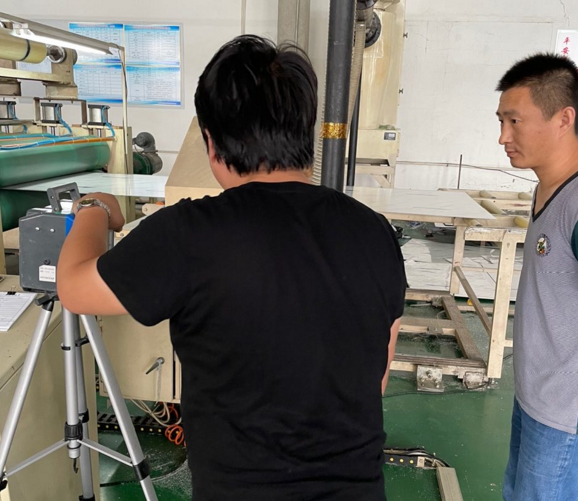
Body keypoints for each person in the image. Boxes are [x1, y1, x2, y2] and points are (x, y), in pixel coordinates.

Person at [57, 36, 406, 501]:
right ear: (306, 132)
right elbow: (375, 377)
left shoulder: (189, 232)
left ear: (211, 141)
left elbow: (74, 286)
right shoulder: (375, 232)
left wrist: (94, 209)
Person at [496, 53, 578, 501]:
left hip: (565, 416)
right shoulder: (548, 186)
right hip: (534, 397)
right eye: (501, 121)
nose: (503, 137)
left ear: (564, 118)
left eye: (515, 121)